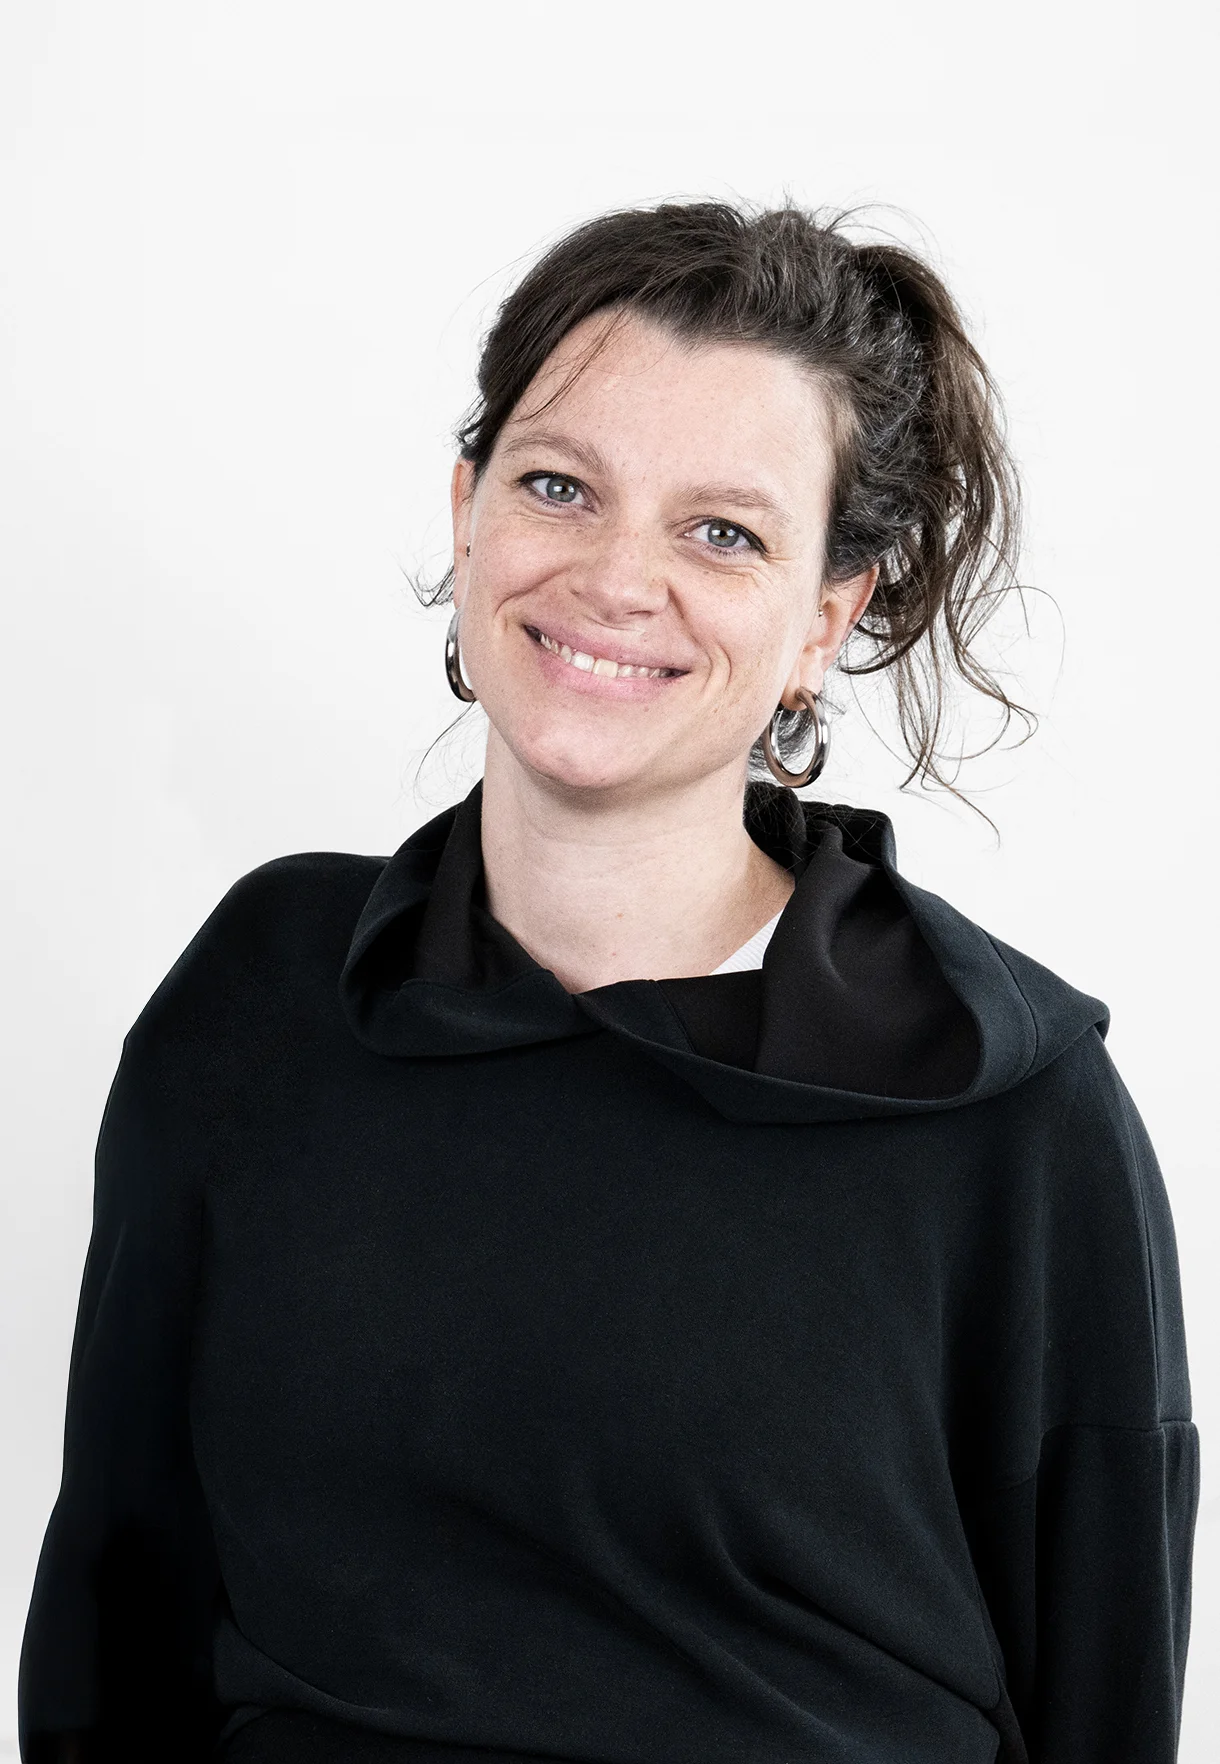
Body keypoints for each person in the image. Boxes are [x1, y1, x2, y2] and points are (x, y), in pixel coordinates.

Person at [19, 201, 1198, 1764]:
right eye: (561, 486)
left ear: (826, 619)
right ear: (467, 510)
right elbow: (118, 1609)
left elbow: (1101, 1687)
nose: (616, 578)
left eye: (725, 532)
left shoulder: (1009, 1104)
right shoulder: (264, 1000)